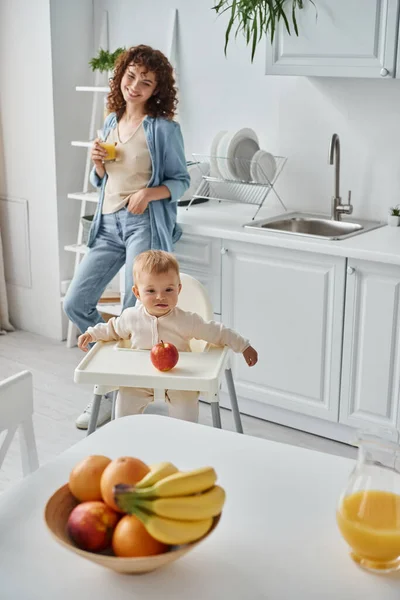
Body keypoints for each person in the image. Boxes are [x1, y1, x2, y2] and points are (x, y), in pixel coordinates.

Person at [64, 45, 189, 430]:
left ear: (157, 89)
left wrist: (148, 193)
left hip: (143, 225)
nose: (135, 85)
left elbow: (181, 181)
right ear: (121, 76)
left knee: (136, 313)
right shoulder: (110, 121)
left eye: (146, 81)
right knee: (76, 302)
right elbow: (102, 181)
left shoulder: (163, 129)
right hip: (109, 225)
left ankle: (109, 397)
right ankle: (119, 382)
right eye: (130, 76)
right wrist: (97, 167)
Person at [78, 250, 258, 422]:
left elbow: (217, 332)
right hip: (139, 379)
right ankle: (128, 444)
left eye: (168, 290)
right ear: (137, 293)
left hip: (179, 380)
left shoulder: (186, 320)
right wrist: (91, 334)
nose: (160, 297)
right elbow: (111, 329)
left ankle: (180, 441)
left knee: (186, 410)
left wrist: (243, 346)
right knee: (124, 408)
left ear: (179, 289)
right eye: (150, 291)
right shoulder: (131, 317)